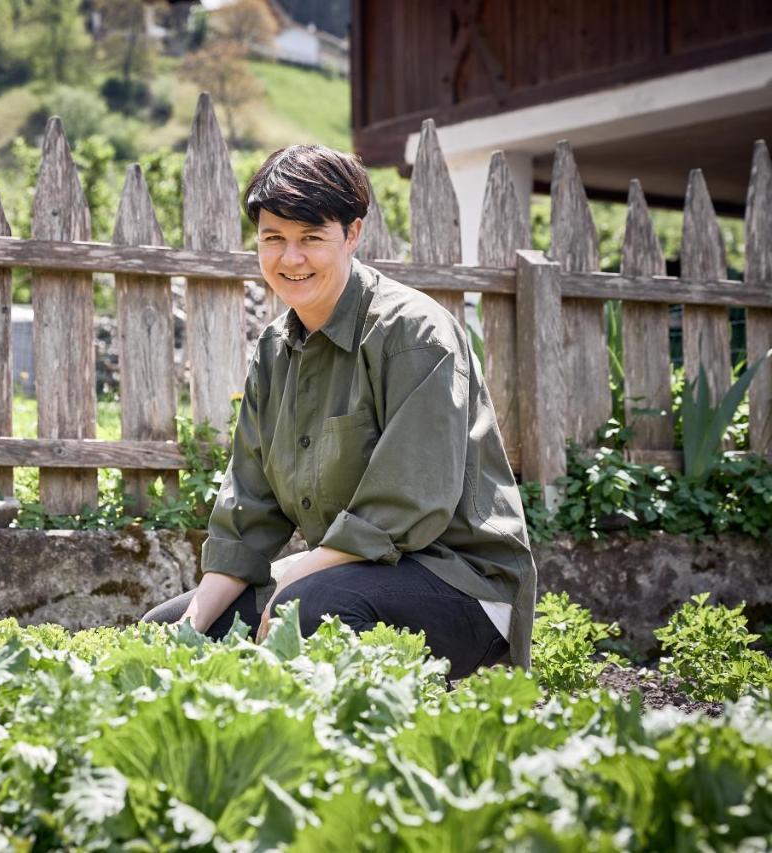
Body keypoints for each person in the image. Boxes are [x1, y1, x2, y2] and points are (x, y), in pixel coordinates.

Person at [142, 145, 536, 680]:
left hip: (463, 587)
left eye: (311, 238)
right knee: (168, 631)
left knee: (308, 608)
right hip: (347, 576)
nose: (290, 258)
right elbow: (249, 515)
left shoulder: (414, 334)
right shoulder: (274, 350)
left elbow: (409, 504)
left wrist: (293, 582)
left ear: (352, 234)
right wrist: (190, 623)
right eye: (273, 238)